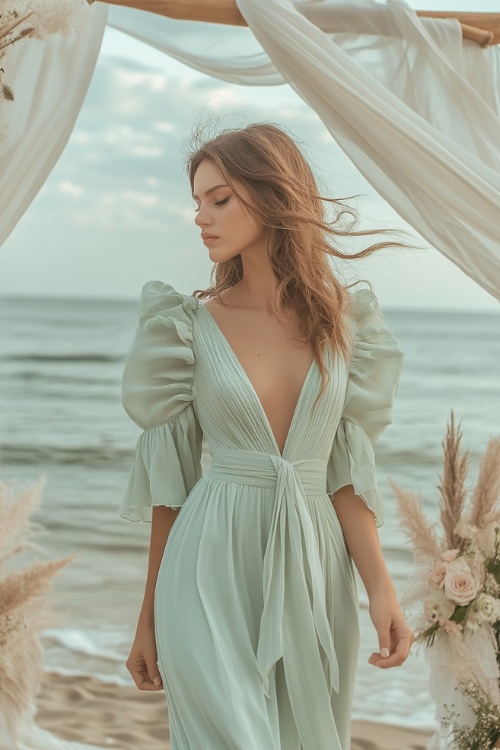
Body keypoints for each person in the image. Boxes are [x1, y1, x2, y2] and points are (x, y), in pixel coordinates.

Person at [119, 122, 414, 750]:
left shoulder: (345, 324)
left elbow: (344, 472)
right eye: (196, 201)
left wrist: (381, 590)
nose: (201, 217)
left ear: (274, 195)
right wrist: (145, 617)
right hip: (205, 566)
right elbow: (171, 486)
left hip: (314, 567)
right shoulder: (185, 328)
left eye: (219, 198)